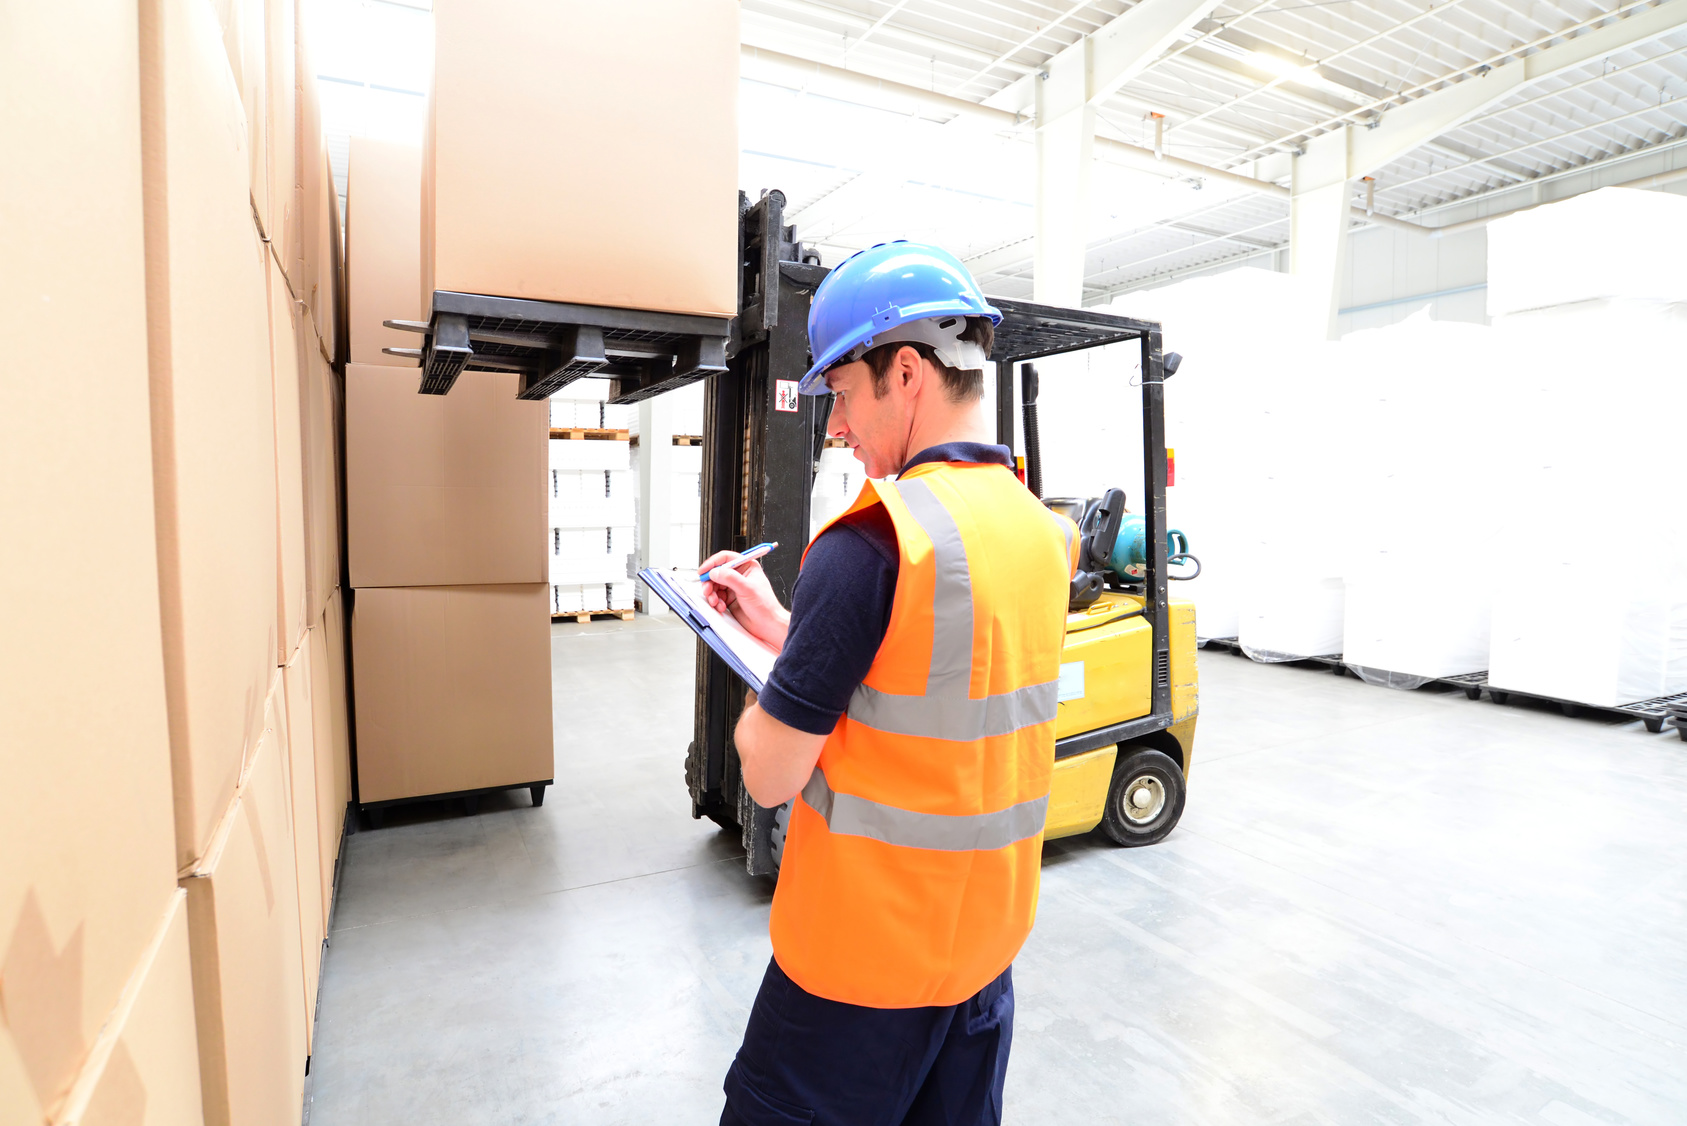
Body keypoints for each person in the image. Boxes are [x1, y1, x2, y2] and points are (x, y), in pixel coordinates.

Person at [698, 241, 1078, 1126]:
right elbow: (932, 678)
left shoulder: (872, 539)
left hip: (855, 978)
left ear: (904, 373)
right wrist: (790, 629)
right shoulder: (1038, 534)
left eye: (839, 393)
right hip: (980, 963)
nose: (832, 425)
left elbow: (768, 774)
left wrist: (767, 673)